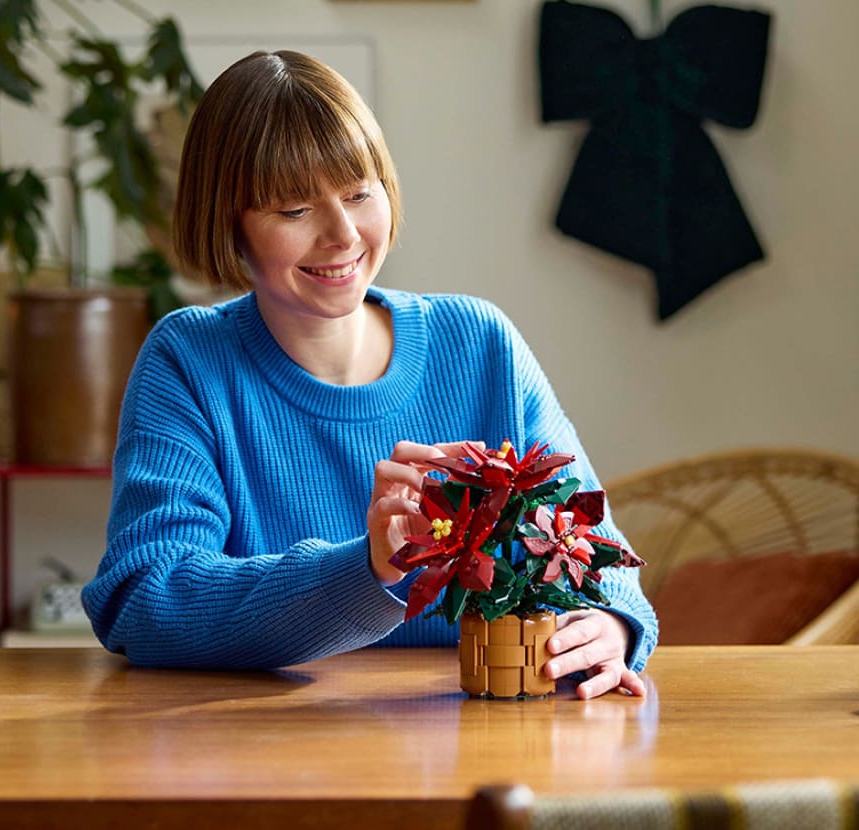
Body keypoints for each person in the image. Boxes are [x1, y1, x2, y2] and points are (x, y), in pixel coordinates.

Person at [82, 50, 657, 700]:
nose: (342, 233)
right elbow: (144, 599)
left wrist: (613, 623)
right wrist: (366, 569)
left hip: (493, 743)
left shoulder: (479, 343)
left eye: (360, 193)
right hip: (263, 754)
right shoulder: (188, 361)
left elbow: (595, 549)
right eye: (294, 210)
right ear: (229, 224)